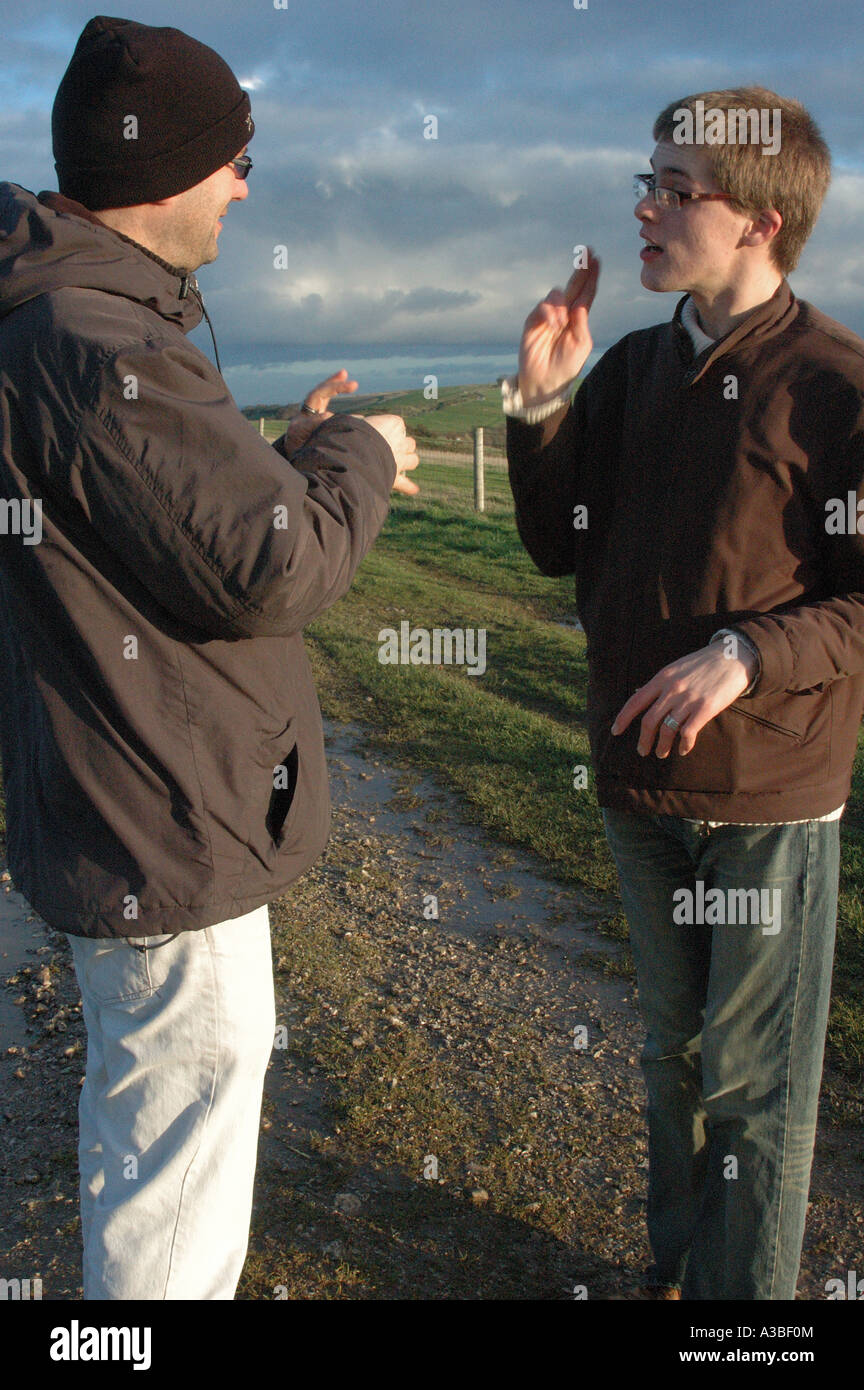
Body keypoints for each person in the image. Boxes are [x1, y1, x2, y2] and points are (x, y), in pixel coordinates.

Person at [0, 15, 418, 1300]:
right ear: (164, 171)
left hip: (129, 802)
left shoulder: (70, 320)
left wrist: (279, 456)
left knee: (150, 1132)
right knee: (174, 1168)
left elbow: (168, 528)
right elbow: (270, 565)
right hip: (161, 820)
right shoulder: (92, 338)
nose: (246, 186)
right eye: (236, 158)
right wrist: (363, 459)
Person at [505, 85, 864, 1300]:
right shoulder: (627, 374)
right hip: (635, 786)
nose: (643, 208)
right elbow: (558, 545)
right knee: (669, 1058)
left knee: (753, 1090)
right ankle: (677, 1275)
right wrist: (544, 402)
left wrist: (748, 656)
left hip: (767, 798)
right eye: (643, 180)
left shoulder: (836, 390)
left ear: (761, 217)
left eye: (675, 188)